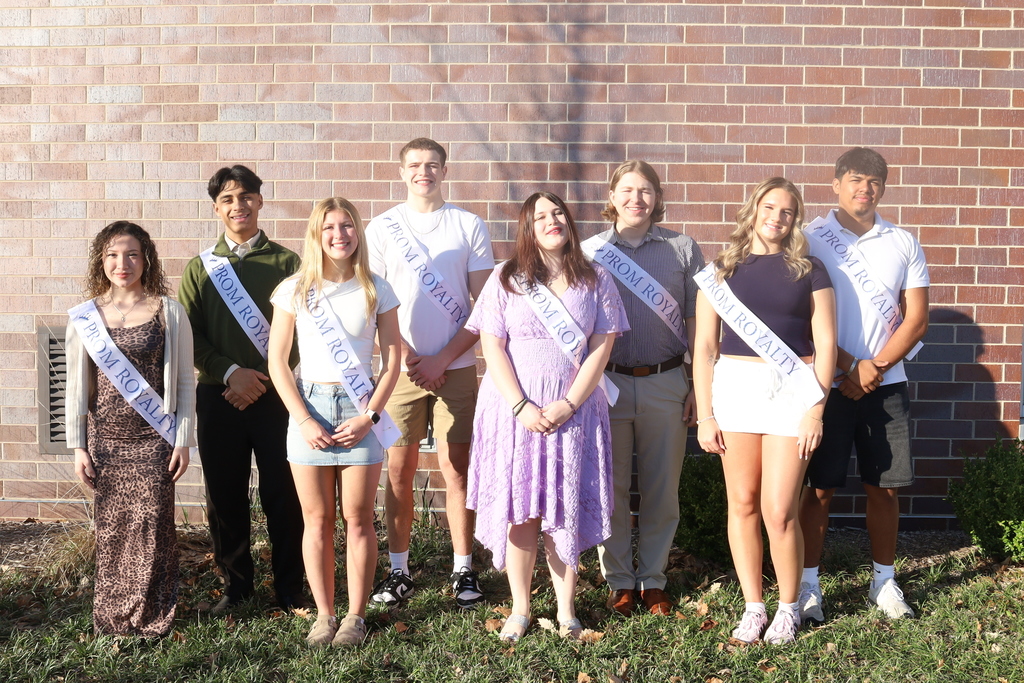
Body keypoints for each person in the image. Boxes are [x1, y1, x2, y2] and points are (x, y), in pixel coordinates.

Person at [465, 192, 628, 641]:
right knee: (521, 509)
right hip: (513, 411)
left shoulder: (596, 279)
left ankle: (565, 610)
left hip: (573, 412)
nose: (552, 220)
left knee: (564, 508)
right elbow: (492, 345)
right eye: (540, 216)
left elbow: (601, 347)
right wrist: (521, 404)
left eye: (558, 213)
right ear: (527, 227)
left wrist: (568, 403)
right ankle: (519, 609)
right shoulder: (506, 278)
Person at [692, 178, 837, 644]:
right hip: (735, 389)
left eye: (787, 211)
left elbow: (827, 342)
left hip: (791, 392)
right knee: (743, 504)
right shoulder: (720, 270)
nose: (776, 217)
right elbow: (704, 348)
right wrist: (706, 415)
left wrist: (816, 409)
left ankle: (788, 608)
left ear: (795, 220)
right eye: (769, 207)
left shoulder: (810, 270)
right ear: (753, 210)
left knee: (780, 511)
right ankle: (754, 606)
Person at [798, 148, 930, 623]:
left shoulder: (902, 241)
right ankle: (808, 586)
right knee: (818, 489)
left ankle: (883, 581)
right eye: (856, 179)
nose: (865, 189)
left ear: (884, 187)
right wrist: (848, 367)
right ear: (836, 183)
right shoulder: (810, 237)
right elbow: (797, 315)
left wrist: (874, 367)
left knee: (885, 488)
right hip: (824, 386)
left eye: (875, 181)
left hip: (886, 385)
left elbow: (916, 320)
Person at [365, 138, 494, 609]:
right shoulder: (381, 228)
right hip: (399, 370)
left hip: (457, 367)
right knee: (397, 470)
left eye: (433, 165)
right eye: (416, 165)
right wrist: (414, 357)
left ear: (445, 169)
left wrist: (442, 359)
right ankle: (398, 573)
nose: (425, 172)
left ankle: (463, 569)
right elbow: (374, 303)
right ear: (402, 172)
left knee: (457, 469)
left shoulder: (468, 224)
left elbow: (486, 305)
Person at [268, 198, 402, 647]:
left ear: (358, 233)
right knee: (317, 518)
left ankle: (355, 618)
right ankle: (325, 616)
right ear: (315, 233)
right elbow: (277, 363)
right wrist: (302, 418)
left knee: (359, 518)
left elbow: (394, 358)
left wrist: (370, 416)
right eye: (329, 227)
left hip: (359, 407)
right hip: (310, 407)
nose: (339, 235)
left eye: (347, 226)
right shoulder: (293, 289)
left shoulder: (376, 287)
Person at [178, 165, 307, 613]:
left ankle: (291, 587)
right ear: (216, 207)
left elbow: (304, 334)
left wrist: (259, 379)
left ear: (260, 201)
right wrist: (231, 372)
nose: (239, 206)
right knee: (224, 496)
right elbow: (189, 336)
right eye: (229, 199)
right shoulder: (200, 269)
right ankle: (236, 587)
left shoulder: (289, 262)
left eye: (247, 196)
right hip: (219, 396)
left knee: (285, 494)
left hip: (278, 396)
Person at [586, 160, 705, 617]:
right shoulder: (590, 250)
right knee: (610, 489)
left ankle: (653, 581)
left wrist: (697, 384)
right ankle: (619, 581)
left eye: (647, 191)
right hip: (607, 384)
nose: (637, 199)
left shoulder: (682, 248)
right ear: (612, 196)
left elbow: (699, 320)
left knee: (661, 490)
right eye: (628, 190)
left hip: (666, 381)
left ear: (657, 198)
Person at [66, 221, 195, 637]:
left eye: (132, 254)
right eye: (113, 255)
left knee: (153, 527)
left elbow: (184, 383)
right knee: (113, 529)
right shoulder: (87, 316)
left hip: (154, 440)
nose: (122, 263)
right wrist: (79, 446)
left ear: (147, 259)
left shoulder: (168, 311)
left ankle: (152, 616)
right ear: (100, 261)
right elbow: (75, 386)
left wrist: (183, 438)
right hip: (107, 442)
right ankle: (113, 618)